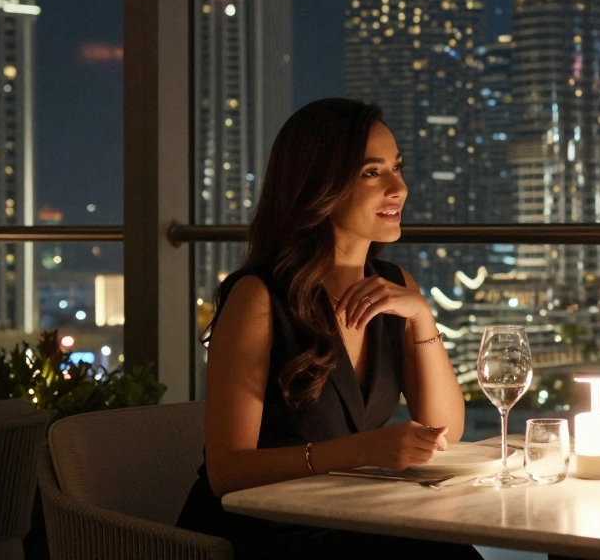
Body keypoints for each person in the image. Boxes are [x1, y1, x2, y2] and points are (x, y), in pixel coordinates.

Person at [177, 98, 480, 559]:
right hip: (264, 532)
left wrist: (421, 314)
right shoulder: (258, 298)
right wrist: (362, 451)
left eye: (397, 168)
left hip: (350, 518)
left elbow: (445, 430)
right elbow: (226, 471)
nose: (399, 188)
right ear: (320, 185)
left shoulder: (396, 289)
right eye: (371, 173)